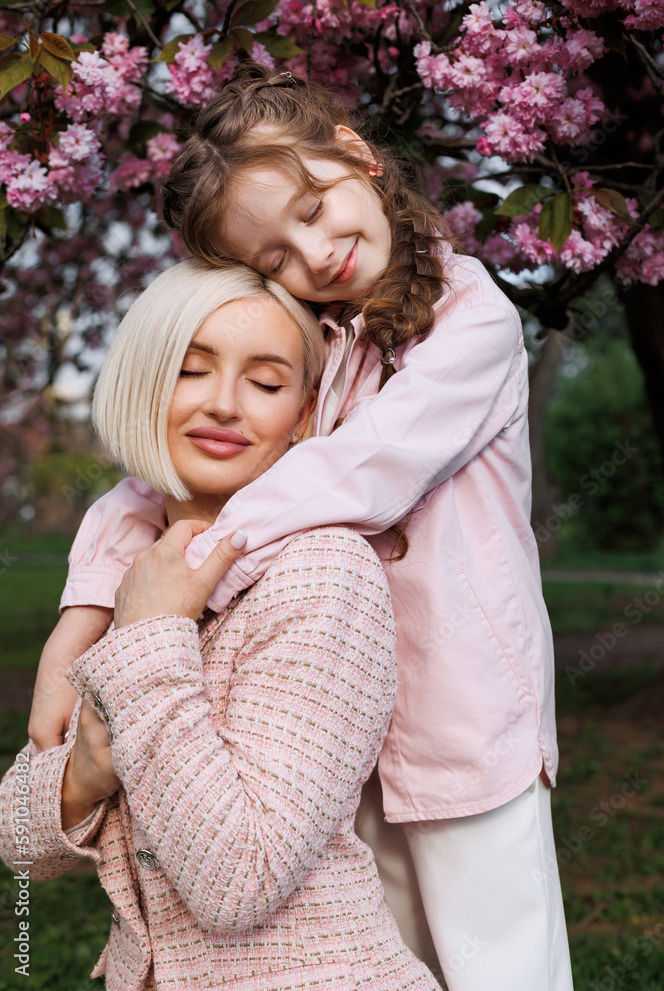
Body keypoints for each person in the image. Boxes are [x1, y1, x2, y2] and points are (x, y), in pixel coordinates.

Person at [27, 68, 574, 990]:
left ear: (358, 156)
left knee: (498, 961)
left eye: (315, 209)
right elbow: (155, 484)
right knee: (391, 952)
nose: (313, 255)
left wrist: (189, 574)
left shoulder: (467, 317)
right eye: (275, 257)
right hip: (333, 715)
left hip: (463, 711)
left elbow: (360, 470)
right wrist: (84, 609)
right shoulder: (316, 336)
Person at [0, 260, 442, 991]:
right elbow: (21, 842)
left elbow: (237, 882)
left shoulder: (322, 574)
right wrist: (86, 769)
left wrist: (149, 640)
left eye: (266, 383)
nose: (225, 405)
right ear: (143, 384)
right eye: (191, 371)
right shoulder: (129, 574)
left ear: (302, 415)